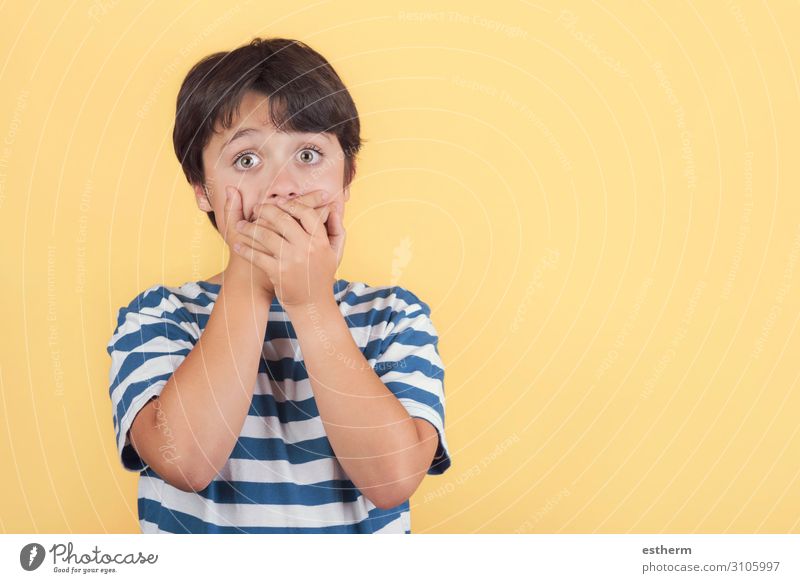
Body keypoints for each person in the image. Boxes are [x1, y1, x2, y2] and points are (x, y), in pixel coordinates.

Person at [106, 37, 451, 533]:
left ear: (348, 176)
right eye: (247, 160)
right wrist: (250, 278)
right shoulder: (157, 317)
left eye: (309, 154)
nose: (281, 185)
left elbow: (393, 480)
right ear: (203, 191)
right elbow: (185, 462)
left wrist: (310, 301)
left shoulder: (392, 316)